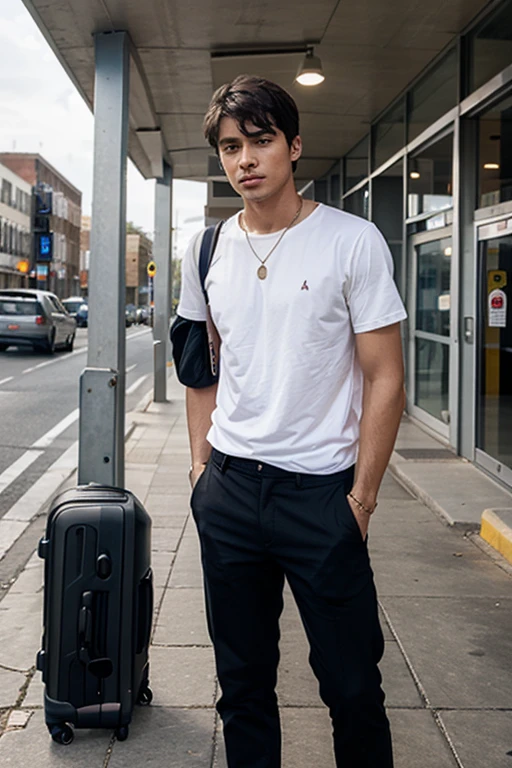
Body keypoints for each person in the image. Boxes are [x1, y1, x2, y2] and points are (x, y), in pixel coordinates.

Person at [177, 74, 407, 768]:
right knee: (242, 689)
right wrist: (199, 471)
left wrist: (360, 500)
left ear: (294, 146)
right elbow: (198, 369)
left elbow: (386, 375)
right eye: (229, 147)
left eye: (260, 141)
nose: (244, 159)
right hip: (231, 491)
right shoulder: (207, 249)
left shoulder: (352, 241)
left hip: (320, 497)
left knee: (353, 688)